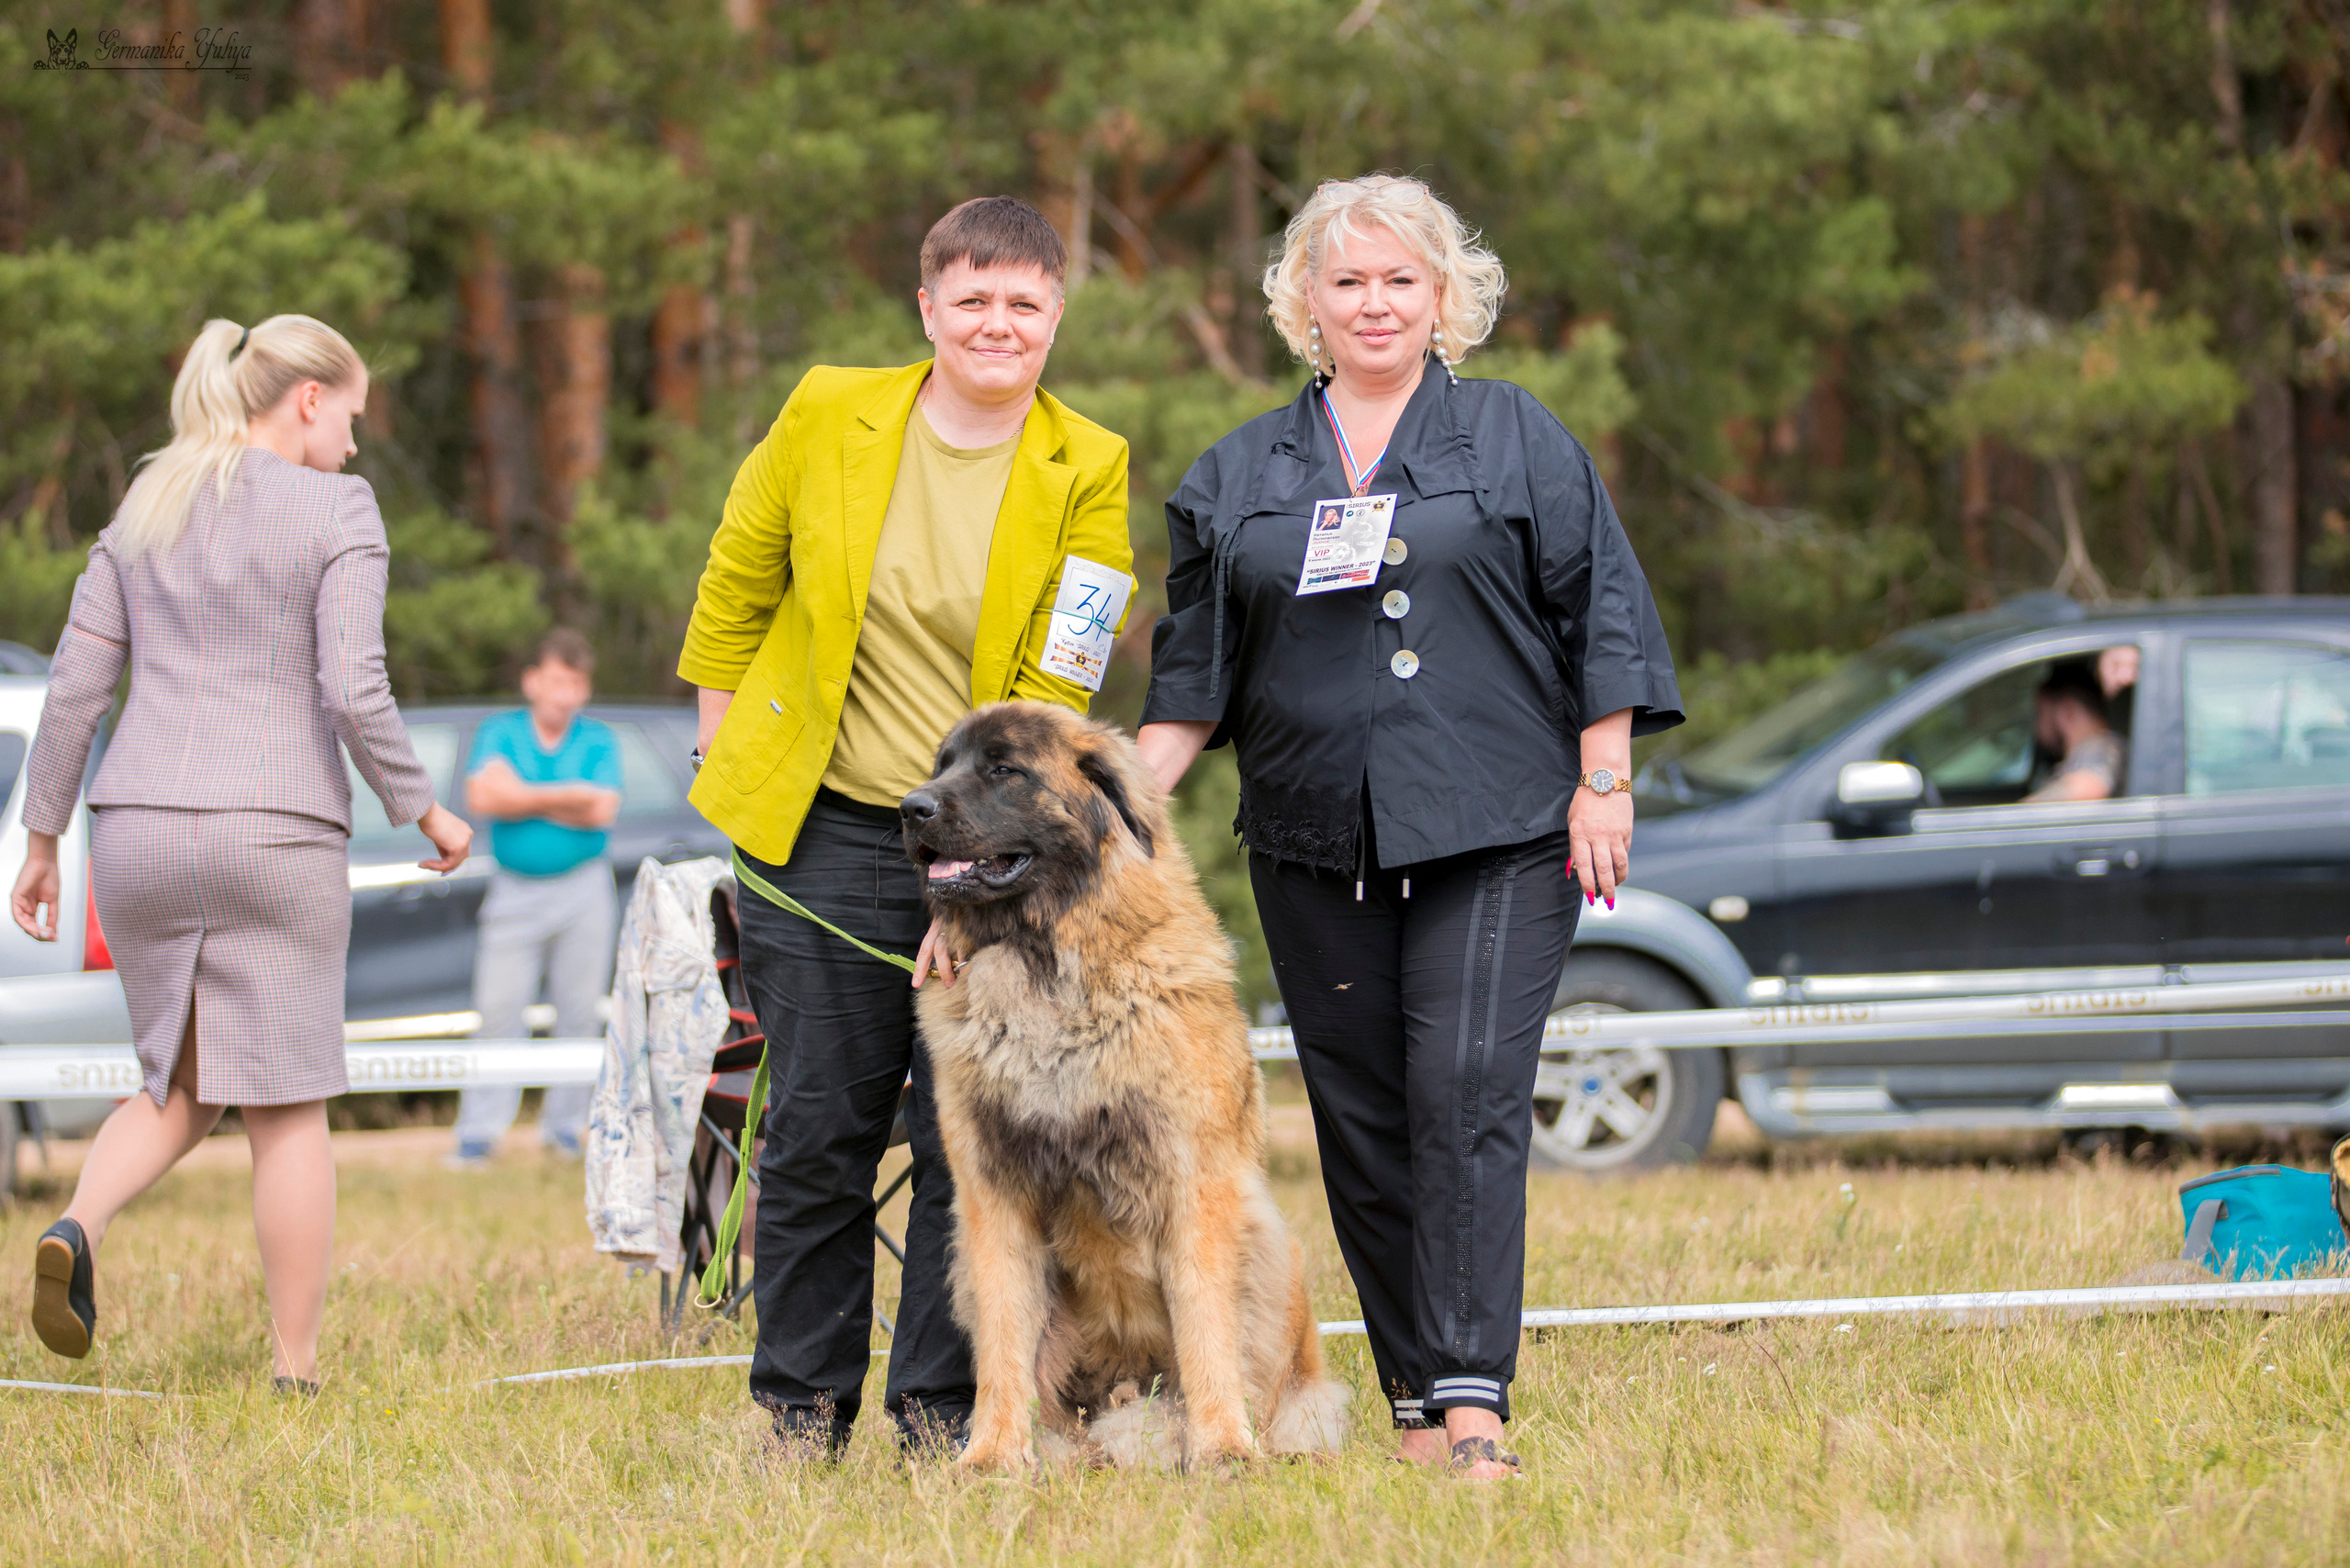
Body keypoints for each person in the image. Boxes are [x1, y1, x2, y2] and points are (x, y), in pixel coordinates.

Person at [1134, 175, 1682, 1480]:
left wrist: (1603, 776)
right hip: (1312, 841)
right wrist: (1097, 812)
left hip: (1497, 825)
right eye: (1347, 281)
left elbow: (1596, 597)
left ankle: (1476, 1396)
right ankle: (1415, 1403)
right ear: (1304, 305)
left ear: (1444, 299)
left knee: (1463, 1093)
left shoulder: (1514, 436)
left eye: (1400, 280)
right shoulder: (1238, 473)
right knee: (1364, 1118)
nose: (1373, 303)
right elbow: (1189, 688)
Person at [677, 196, 1134, 1455]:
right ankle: (798, 1406)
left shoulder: (1088, 462)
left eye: (1025, 304)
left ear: (1055, 319)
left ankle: (940, 1407)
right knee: (820, 1123)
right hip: (817, 827)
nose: (999, 323)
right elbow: (737, 578)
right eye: (973, 299)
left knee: (964, 1143)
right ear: (927, 306)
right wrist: (721, 738)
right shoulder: (830, 407)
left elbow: (1058, 685)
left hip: (984, 849)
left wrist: (969, 897)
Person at [7, 315, 472, 1390]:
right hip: (275, 830)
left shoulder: (148, 503)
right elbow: (351, 686)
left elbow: (75, 691)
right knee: (288, 1105)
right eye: (351, 415)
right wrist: (426, 810)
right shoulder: (336, 508)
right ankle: (295, 1369)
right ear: (307, 398)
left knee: (176, 1075)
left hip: (137, 829)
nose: (354, 445)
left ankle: (78, 1223)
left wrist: (41, 840)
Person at [447, 628, 623, 1166]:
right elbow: (482, 795)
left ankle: (565, 1131)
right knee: (498, 1011)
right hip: (514, 889)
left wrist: (520, 795)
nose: (564, 694)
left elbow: (601, 811)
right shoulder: (499, 730)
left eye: (574, 683)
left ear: (585, 689)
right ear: (532, 681)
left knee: (578, 1011)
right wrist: (567, 793)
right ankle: (478, 1136)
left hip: (584, 889)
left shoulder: (599, 739)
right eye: (555, 681)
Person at [2024, 662, 2124, 803]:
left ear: (2068, 711)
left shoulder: (2106, 747)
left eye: (2041, 714)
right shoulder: (2084, 752)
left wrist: (2021, 812)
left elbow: (2091, 785)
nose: (2038, 726)